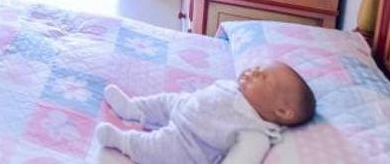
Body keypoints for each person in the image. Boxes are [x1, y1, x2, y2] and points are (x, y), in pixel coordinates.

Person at [95, 61, 315, 164]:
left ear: (283, 110)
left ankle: (124, 142)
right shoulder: (240, 90)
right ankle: (133, 108)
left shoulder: (256, 133)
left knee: (159, 148)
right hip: (185, 104)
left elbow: (241, 160)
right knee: (164, 100)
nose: (253, 70)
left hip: (189, 141)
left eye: (263, 76)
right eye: (258, 68)